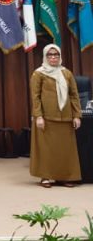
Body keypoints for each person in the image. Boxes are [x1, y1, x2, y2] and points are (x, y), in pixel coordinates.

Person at [30, 44, 82, 188]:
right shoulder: (38, 74)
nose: (53, 57)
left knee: (64, 150)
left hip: (65, 118)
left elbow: (74, 95)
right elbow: (35, 97)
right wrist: (38, 116)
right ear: (45, 57)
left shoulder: (66, 73)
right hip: (46, 118)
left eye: (56, 55)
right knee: (46, 149)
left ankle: (64, 177)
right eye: (50, 55)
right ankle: (45, 177)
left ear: (60, 56)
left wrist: (76, 115)